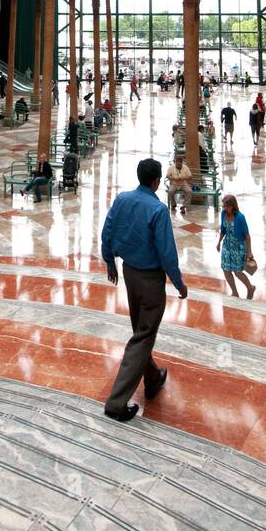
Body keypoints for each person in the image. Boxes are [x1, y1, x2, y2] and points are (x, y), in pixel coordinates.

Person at [101, 158, 188, 422]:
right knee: (143, 335)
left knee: (141, 330)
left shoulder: (122, 200)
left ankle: (152, 378)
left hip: (129, 272)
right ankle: (116, 402)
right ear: (156, 181)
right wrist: (179, 282)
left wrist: (109, 261)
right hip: (150, 280)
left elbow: (107, 231)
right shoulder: (158, 210)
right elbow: (166, 252)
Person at [216, 194, 256, 300]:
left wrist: (249, 251)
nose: (224, 208)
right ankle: (234, 292)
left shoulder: (240, 218)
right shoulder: (223, 214)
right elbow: (223, 230)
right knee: (226, 270)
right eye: (224, 206)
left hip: (238, 247)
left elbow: (247, 236)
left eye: (226, 206)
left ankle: (250, 288)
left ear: (233, 206)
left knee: (237, 272)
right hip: (227, 245)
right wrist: (219, 242)